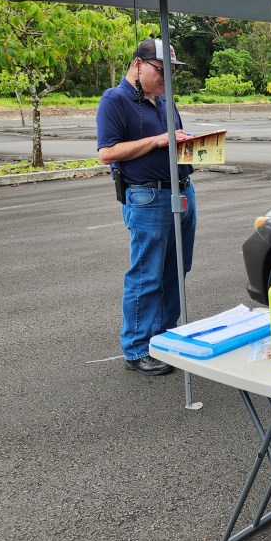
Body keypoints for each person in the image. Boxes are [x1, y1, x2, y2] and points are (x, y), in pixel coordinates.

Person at [96, 38, 196, 376]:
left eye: (172, 72)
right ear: (138, 65)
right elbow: (107, 152)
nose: (167, 78)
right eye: (161, 70)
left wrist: (192, 144)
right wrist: (156, 140)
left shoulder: (165, 99)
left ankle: (163, 337)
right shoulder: (115, 99)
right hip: (147, 196)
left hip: (182, 189)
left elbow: (173, 140)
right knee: (147, 274)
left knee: (177, 268)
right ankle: (137, 348)